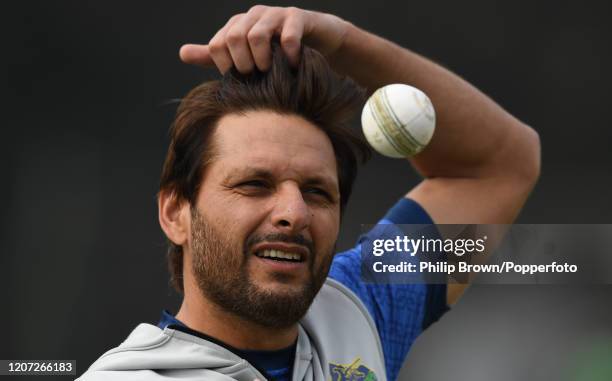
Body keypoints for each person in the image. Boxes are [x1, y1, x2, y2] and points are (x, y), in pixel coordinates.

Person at [78, 5, 540, 381]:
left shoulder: (358, 312)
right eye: (254, 184)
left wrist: (344, 45)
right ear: (175, 212)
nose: (294, 212)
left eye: (318, 192)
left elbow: (496, 168)